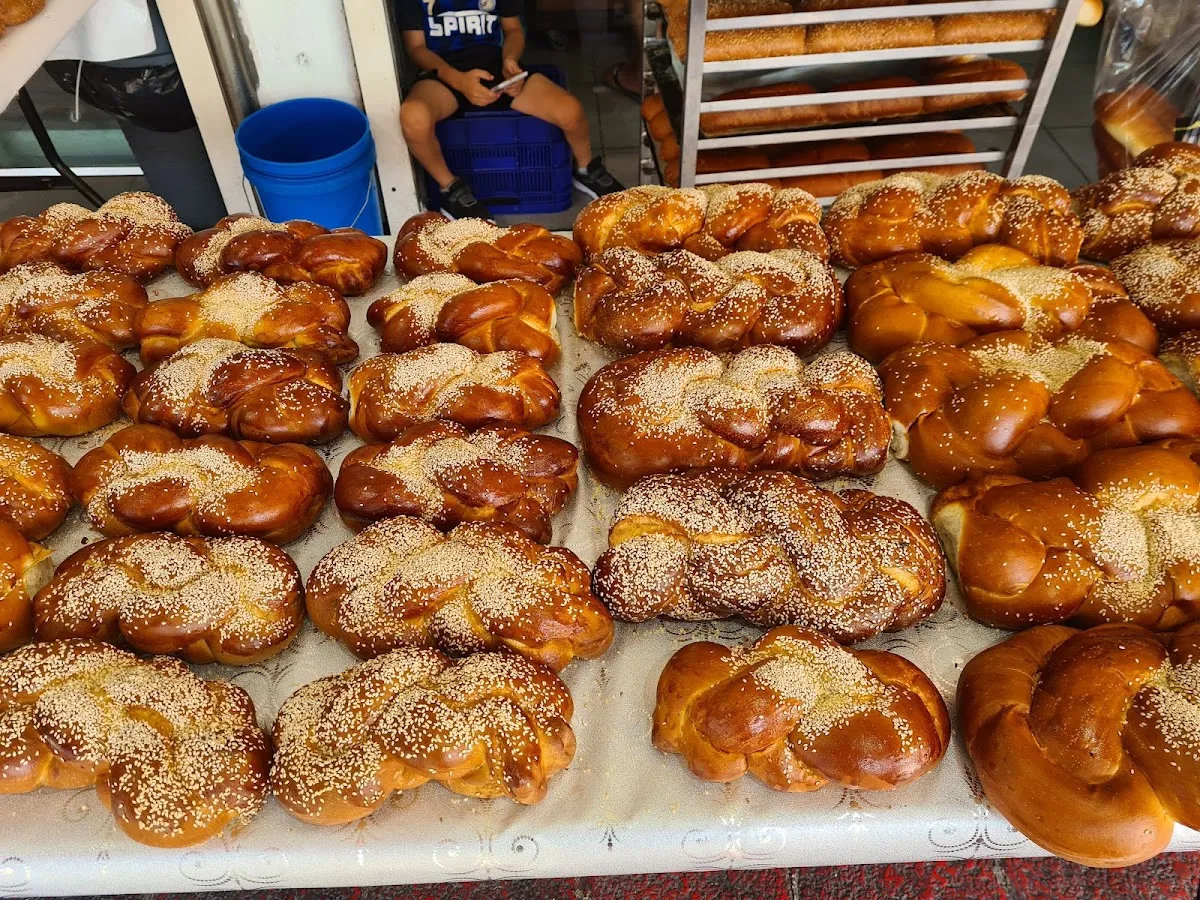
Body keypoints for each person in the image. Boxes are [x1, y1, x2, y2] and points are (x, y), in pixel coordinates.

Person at [397, 0, 624, 219]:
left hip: (496, 68)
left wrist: (510, 61)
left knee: (570, 111)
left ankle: (586, 169)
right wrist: (458, 81)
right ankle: (450, 187)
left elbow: (513, 30)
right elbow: (416, 48)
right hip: (443, 74)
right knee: (413, 117)